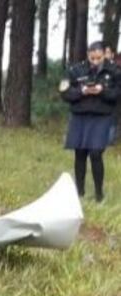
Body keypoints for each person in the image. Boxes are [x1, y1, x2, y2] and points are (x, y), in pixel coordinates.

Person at [60, 41, 119, 202]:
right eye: (92, 58)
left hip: (101, 117)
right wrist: (82, 91)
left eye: (98, 58)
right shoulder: (75, 70)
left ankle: (99, 194)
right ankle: (79, 193)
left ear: (103, 55)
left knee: (95, 153)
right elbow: (65, 92)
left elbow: (116, 94)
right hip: (80, 116)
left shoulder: (114, 71)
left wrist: (102, 91)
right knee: (80, 153)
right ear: (88, 55)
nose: (95, 61)